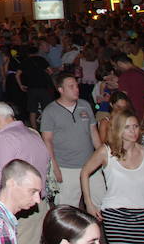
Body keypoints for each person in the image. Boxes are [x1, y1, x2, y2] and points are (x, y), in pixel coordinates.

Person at [0, 102, 51, 244]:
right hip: (38, 204)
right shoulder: (32, 133)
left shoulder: (5, 138)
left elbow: (0, 178)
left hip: (20, 207)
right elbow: (18, 168)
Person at [79, 109, 144, 243]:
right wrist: (88, 203)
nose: (133, 131)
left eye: (135, 126)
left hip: (143, 212)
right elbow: (85, 171)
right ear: (119, 129)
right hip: (115, 213)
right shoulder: (106, 151)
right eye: (127, 127)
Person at [40, 73, 105, 208]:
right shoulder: (50, 111)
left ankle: (95, 228)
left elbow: (93, 132)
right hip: (66, 167)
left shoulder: (85, 105)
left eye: (76, 85)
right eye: (71, 86)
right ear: (61, 90)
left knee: (100, 203)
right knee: (68, 208)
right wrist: (55, 167)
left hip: (91, 165)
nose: (76, 89)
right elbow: (47, 141)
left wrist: (102, 156)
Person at [113, 54, 144, 121]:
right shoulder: (143, 73)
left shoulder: (125, 76)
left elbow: (122, 98)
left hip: (133, 114)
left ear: (120, 64)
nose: (116, 69)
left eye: (115, 66)